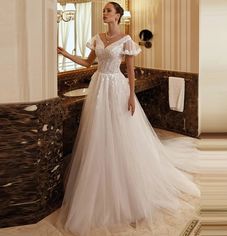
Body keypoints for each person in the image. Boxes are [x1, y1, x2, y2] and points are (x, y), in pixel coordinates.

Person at [57, 2, 201, 236]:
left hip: (116, 87)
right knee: (98, 134)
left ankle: (128, 186)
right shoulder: (97, 37)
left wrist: (132, 96)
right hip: (98, 87)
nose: (104, 13)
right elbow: (87, 63)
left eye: (108, 11)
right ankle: (99, 180)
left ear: (118, 16)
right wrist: (65, 53)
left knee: (120, 133)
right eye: (103, 10)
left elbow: (130, 72)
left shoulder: (126, 41)